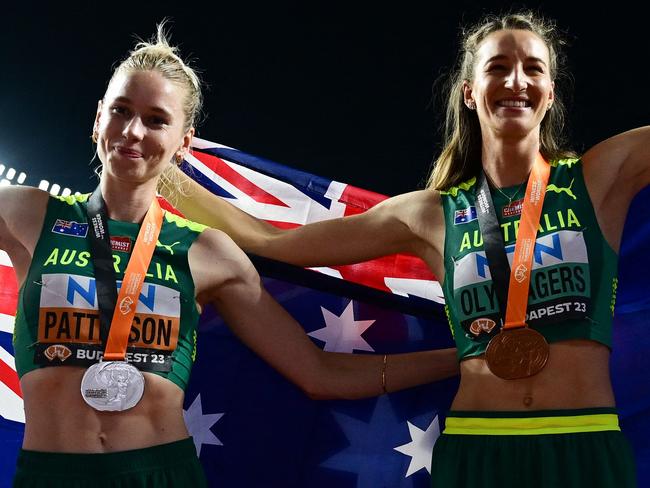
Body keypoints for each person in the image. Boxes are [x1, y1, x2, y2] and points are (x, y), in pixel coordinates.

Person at [166, 10, 648, 487]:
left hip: (584, 440)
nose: (515, 80)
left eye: (533, 68)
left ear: (550, 93)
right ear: (470, 92)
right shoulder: (428, 214)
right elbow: (271, 242)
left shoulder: (599, 177)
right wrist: (159, 169)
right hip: (476, 448)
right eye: (497, 67)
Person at [0, 25, 459, 488]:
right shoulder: (26, 214)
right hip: (49, 474)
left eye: (157, 120)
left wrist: (466, 355)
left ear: (184, 142)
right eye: (121, 111)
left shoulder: (207, 252)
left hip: (164, 474)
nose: (133, 131)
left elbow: (320, 373)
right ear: (98, 118)